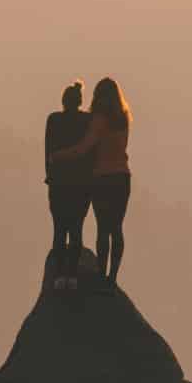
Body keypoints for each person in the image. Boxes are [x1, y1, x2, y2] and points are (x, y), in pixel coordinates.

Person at [51, 76, 131, 288]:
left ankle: (101, 275)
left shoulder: (98, 121)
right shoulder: (124, 119)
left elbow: (83, 149)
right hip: (122, 178)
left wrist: (60, 155)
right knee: (117, 228)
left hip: (102, 178)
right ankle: (112, 278)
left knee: (103, 229)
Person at [44, 79, 93, 289]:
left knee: (59, 230)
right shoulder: (87, 121)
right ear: (80, 101)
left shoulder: (53, 120)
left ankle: (58, 277)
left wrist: (49, 176)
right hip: (81, 184)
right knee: (76, 230)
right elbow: (91, 153)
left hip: (58, 184)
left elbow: (48, 153)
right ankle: (72, 276)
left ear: (63, 101)